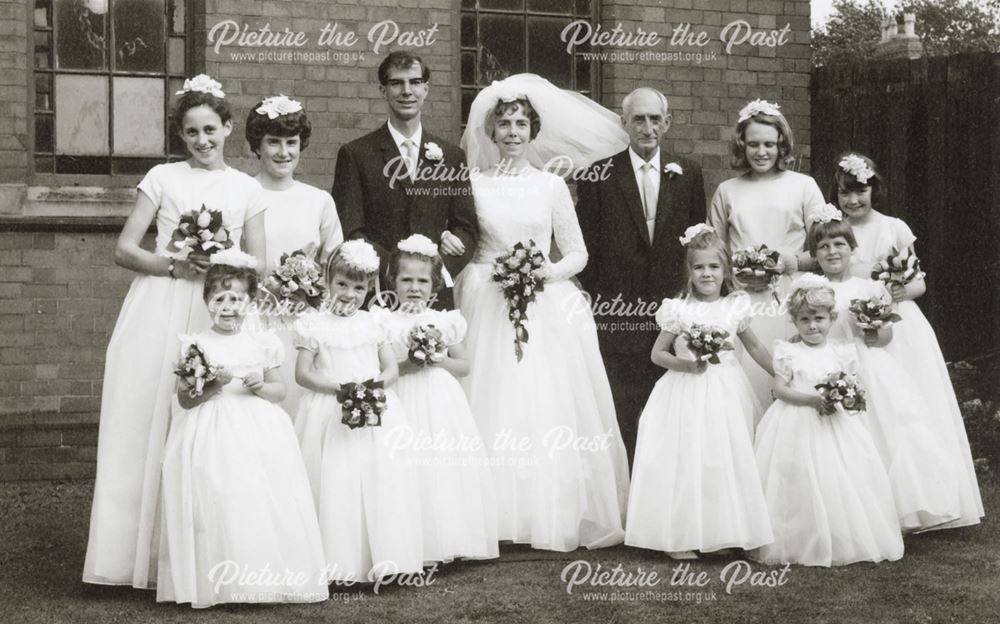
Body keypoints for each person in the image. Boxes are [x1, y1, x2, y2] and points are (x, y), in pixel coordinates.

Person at [83, 75, 266, 588]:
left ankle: (210, 554)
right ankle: (133, 559)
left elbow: (260, 264)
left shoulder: (246, 188)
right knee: (148, 420)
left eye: (210, 129)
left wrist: (223, 267)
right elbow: (125, 249)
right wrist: (174, 264)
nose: (202, 140)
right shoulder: (162, 177)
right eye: (191, 132)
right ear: (180, 136)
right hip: (160, 305)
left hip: (220, 310)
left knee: (216, 424)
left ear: (228, 127)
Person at [456, 74, 630, 552]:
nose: (512, 133)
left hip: (543, 302)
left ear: (534, 133)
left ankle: (545, 512)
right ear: (490, 133)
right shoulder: (473, 184)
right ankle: (491, 516)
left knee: (545, 400)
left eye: (520, 124)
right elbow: (469, 244)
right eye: (504, 124)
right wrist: (500, 273)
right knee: (491, 398)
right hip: (488, 296)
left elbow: (577, 253)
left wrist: (541, 275)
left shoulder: (551, 185)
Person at [157, 256, 328, 607]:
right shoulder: (195, 344)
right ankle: (219, 580)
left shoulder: (262, 343)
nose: (228, 307)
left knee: (258, 496)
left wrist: (260, 387)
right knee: (218, 494)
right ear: (207, 303)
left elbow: (280, 391)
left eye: (235, 299)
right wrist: (209, 387)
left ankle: (262, 576)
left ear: (249, 302)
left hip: (258, 428)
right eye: (219, 299)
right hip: (211, 430)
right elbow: (185, 401)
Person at [834, 152, 983, 529]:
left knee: (903, 407)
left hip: (897, 325)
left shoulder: (893, 228)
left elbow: (919, 281)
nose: (853, 200)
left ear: (873, 189)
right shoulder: (834, 229)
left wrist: (897, 292)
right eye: (844, 193)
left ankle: (912, 500)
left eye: (860, 191)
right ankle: (863, 499)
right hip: (848, 322)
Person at [575, 87, 706, 468]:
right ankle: (632, 497)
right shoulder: (597, 175)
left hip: (674, 314)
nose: (647, 127)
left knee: (675, 408)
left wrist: (687, 302)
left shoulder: (689, 173)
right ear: (624, 123)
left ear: (667, 122)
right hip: (619, 315)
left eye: (654, 119)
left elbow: (697, 245)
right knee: (626, 409)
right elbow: (587, 250)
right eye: (638, 119)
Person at [625, 225, 773, 559]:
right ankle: (681, 535)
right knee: (688, 457)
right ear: (689, 272)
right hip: (685, 391)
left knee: (725, 457)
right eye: (699, 267)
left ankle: (728, 532)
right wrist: (687, 365)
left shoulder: (735, 306)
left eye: (714, 267)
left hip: (726, 390)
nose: (707, 274)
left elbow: (756, 348)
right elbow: (657, 354)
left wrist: (781, 373)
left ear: (726, 271)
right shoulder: (678, 309)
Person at [809, 209, 962, 532]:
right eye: (823, 247)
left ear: (852, 249)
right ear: (814, 254)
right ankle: (846, 509)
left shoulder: (869, 288)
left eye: (839, 244)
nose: (832, 252)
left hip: (870, 366)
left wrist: (873, 332)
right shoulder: (810, 287)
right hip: (830, 367)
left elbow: (887, 334)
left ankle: (892, 508)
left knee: (887, 431)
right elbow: (801, 330)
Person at [293, 240, 423, 582]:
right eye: (342, 284)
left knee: (377, 477)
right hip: (329, 409)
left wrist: (373, 387)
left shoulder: (373, 323)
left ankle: (381, 556)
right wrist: (341, 389)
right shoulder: (313, 324)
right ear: (327, 281)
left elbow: (391, 368)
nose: (349, 294)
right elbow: (303, 374)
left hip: (375, 409)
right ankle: (334, 560)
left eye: (359, 287)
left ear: (369, 289)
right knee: (334, 479)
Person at [753, 275, 904, 567]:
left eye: (819, 318)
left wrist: (844, 398)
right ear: (794, 321)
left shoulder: (841, 352)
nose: (813, 325)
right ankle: (799, 538)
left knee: (841, 476)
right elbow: (780, 389)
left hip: (836, 426)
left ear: (832, 318)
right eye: (805, 319)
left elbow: (854, 386)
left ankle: (841, 535)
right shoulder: (788, 352)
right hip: (795, 421)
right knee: (797, 477)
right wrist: (811, 400)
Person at [380, 234, 499, 564]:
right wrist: (408, 362)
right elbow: (383, 368)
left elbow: (464, 365)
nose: (414, 288)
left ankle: (445, 539)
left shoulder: (445, 321)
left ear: (435, 286)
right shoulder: (384, 322)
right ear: (393, 281)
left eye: (422, 281)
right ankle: (409, 540)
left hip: (439, 401)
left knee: (440, 466)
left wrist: (436, 359)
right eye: (406, 280)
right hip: (401, 398)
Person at [332, 51, 477, 308]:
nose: (406, 91)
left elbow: (466, 229)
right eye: (396, 83)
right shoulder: (356, 154)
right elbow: (351, 229)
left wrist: (434, 271)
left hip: (433, 292)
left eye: (415, 82)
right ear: (383, 91)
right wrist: (396, 272)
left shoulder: (452, 156)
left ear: (426, 89)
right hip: (378, 292)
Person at [709, 99, 826, 412]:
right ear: (742, 146)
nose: (761, 152)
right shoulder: (727, 190)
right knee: (742, 385)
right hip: (741, 301)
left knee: (788, 377)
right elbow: (715, 252)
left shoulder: (804, 186)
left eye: (770, 145)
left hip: (789, 299)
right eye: (753, 144)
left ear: (782, 145)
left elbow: (822, 252)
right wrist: (736, 272)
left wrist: (788, 262)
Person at [245, 94, 343, 416]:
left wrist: (312, 290)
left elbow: (336, 267)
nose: (284, 152)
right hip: (257, 319)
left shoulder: (318, 201)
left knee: (306, 412)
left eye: (292, 142)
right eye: (273, 142)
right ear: (257, 145)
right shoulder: (242, 194)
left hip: (306, 324)